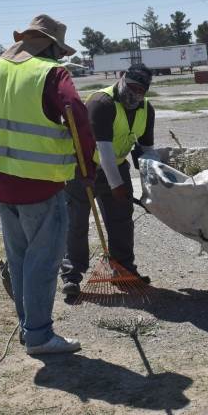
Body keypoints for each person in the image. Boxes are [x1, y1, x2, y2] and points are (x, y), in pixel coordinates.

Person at [0, 14, 96, 355]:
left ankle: (28, 327)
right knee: (44, 262)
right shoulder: (51, 73)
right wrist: (86, 166)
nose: (60, 58)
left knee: (20, 261)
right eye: (58, 51)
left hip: (2, 185)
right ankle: (39, 335)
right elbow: (76, 113)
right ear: (49, 45)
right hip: (41, 186)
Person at [60, 63, 157, 296]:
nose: (134, 94)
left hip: (118, 165)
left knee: (121, 219)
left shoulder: (146, 109)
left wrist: (152, 189)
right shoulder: (101, 103)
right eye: (131, 86)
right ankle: (72, 275)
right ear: (122, 78)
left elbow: (147, 152)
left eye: (140, 90)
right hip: (84, 167)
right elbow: (103, 151)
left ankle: (123, 270)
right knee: (77, 220)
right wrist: (117, 186)